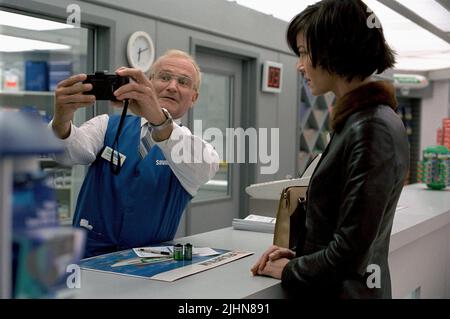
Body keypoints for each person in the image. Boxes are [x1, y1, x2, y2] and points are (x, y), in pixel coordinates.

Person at [251, 0, 409, 299]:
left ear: (334, 49)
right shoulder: (365, 120)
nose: (300, 65)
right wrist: (302, 253)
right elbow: (347, 227)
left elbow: (349, 255)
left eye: (304, 53)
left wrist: (287, 269)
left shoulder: (369, 127)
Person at [50, 50, 219, 258]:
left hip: (149, 267)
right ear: (149, 82)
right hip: (87, 259)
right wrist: (61, 120)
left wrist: (158, 118)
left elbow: (203, 168)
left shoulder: (194, 149)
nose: (172, 87)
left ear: (194, 97)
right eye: (164, 77)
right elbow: (69, 155)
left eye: (183, 82)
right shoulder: (107, 125)